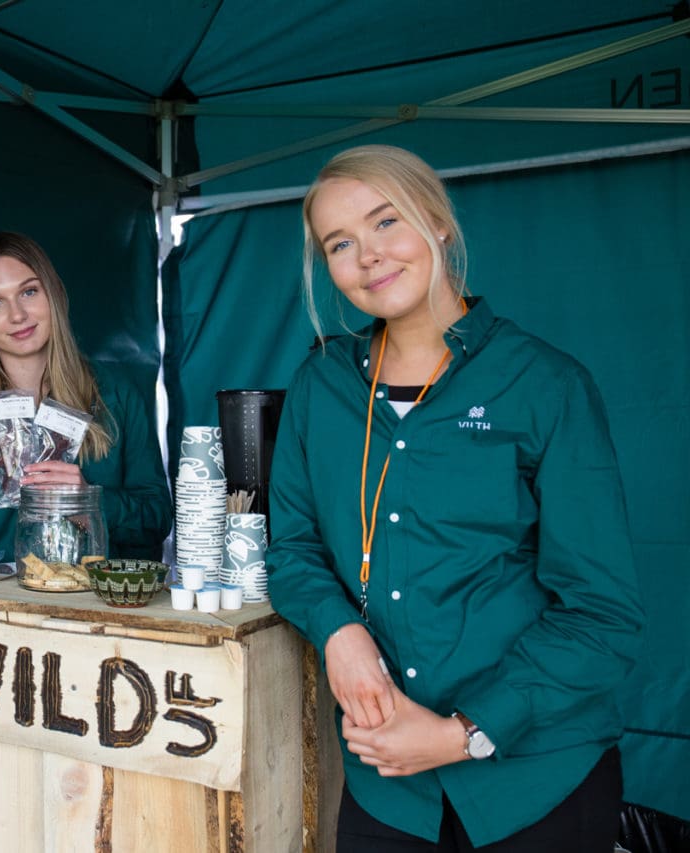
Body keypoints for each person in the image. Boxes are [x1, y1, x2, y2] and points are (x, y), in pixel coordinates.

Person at [265, 145, 644, 851]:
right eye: (340, 243)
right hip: (390, 791)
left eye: (385, 222)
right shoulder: (321, 387)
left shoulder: (544, 385)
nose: (367, 255)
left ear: (437, 221)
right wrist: (338, 632)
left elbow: (602, 613)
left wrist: (463, 733)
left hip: (535, 781)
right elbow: (292, 548)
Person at [0, 231, 171, 562]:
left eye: (28, 291)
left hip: (93, 604)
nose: (17, 315)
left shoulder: (116, 394)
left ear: (52, 293)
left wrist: (90, 503)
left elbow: (156, 521)